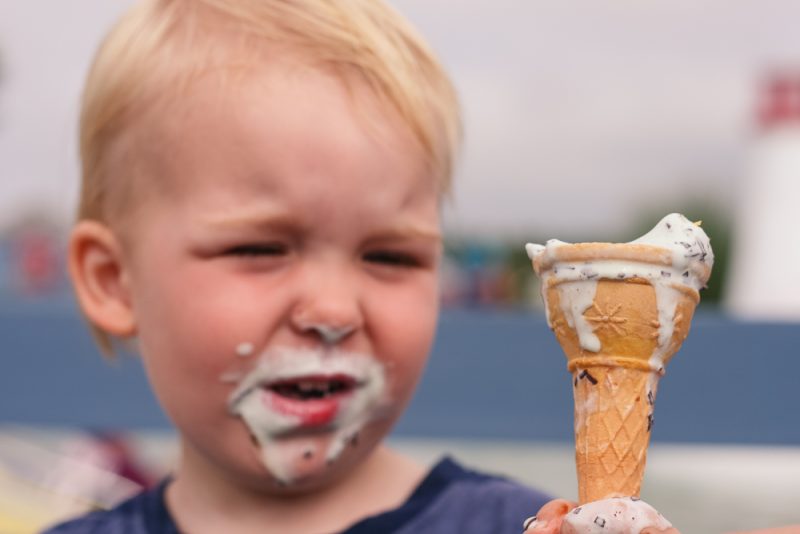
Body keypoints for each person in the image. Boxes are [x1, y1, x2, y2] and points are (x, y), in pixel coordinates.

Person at [42, 0, 726, 532]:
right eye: (260, 248)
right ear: (114, 280)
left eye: (390, 255)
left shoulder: (520, 527)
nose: (335, 311)